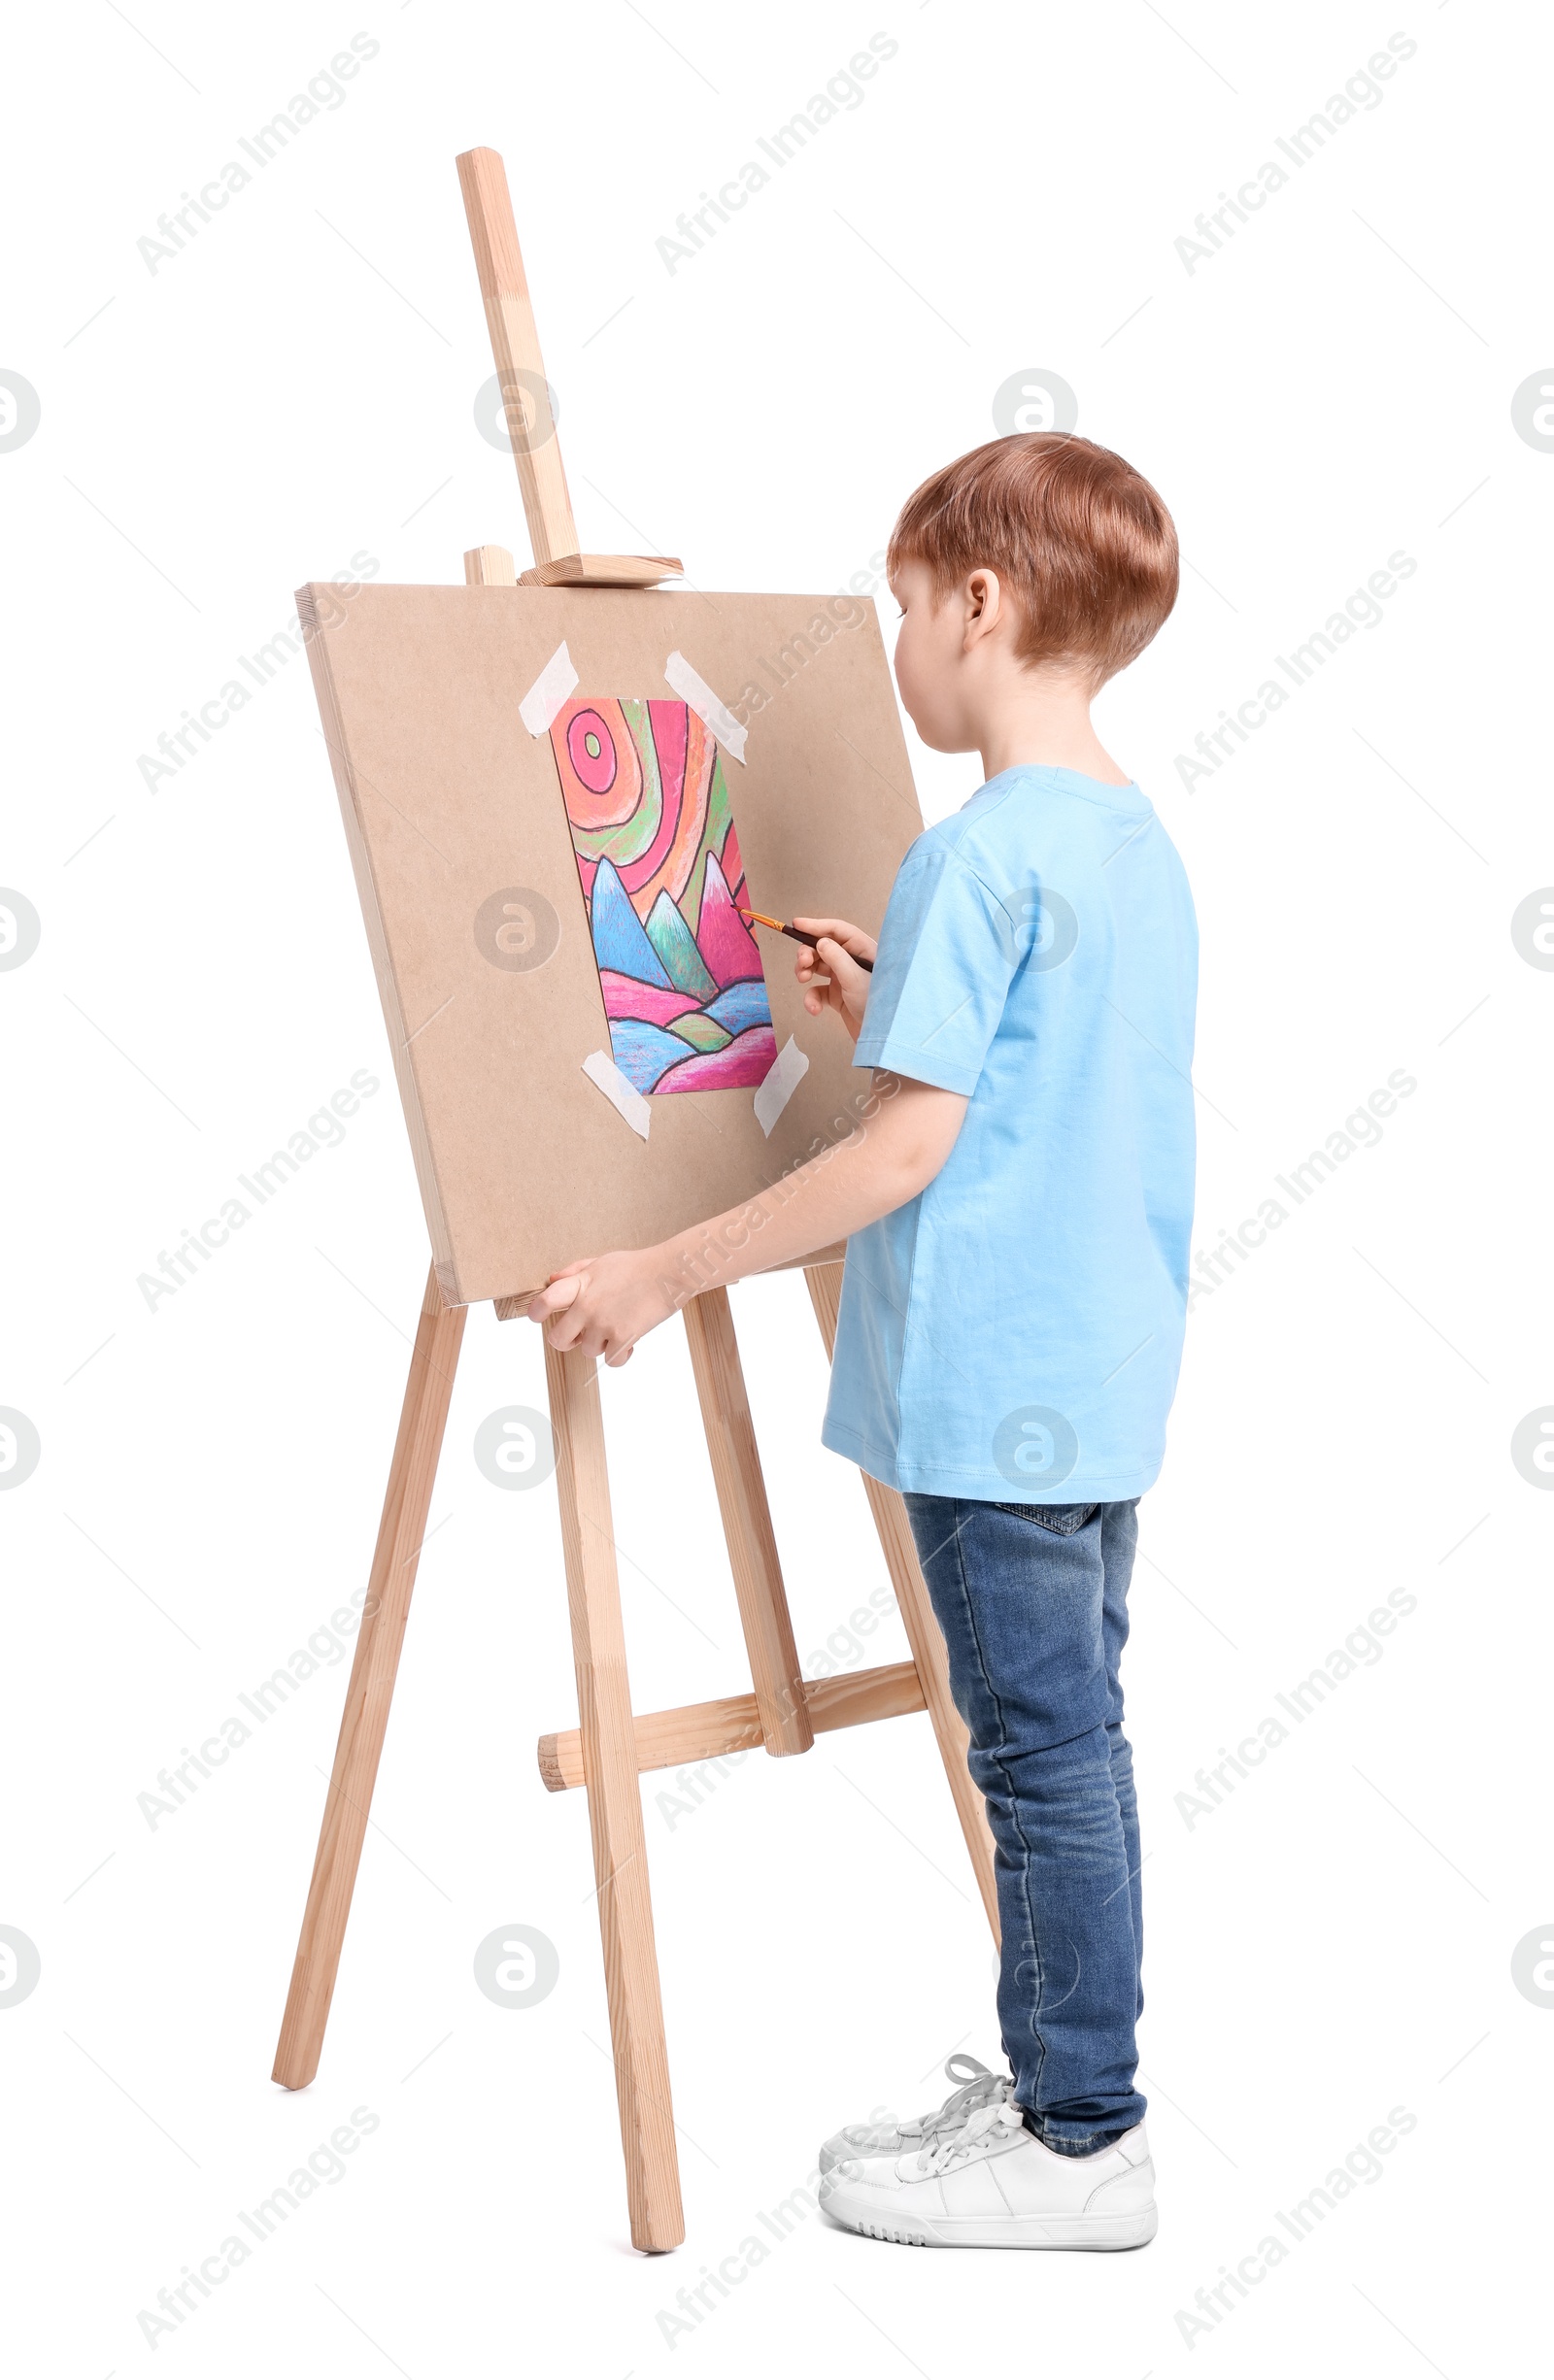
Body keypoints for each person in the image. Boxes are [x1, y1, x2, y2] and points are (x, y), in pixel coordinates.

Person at [528, 431, 1196, 2250]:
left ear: (978, 604)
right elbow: (1026, 1095)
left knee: (1039, 1764)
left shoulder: (976, 862)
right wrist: (893, 999)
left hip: (986, 1406)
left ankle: (1078, 2139)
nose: (896, 643)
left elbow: (909, 1148)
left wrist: (670, 1266)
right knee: (1076, 1747)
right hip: (1101, 1382)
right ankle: (1077, 2099)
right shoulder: (1131, 848)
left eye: (904, 605)